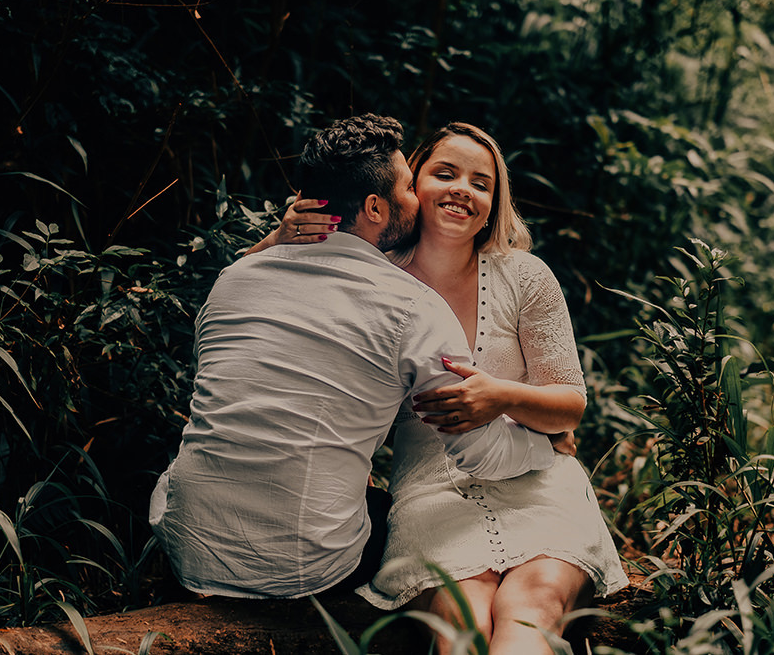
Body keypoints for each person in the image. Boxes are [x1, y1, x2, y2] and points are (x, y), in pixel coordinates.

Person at [148, 114, 558, 600]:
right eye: (409, 187)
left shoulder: (234, 280)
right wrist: (544, 444)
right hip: (305, 570)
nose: (417, 198)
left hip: (185, 547)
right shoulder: (416, 307)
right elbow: (479, 455)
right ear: (374, 207)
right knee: (403, 524)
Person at [270, 123, 628, 653]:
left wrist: (504, 397)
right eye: (445, 173)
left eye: (481, 183)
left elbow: (568, 407)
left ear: (493, 203)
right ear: (411, 190)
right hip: (431, 494)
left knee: (533, 604)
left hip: (539, 483)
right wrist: (280, 240)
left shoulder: (524, 277)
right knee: (461, 623)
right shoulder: (369, 279)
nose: (463, 188)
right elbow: (257, 301)